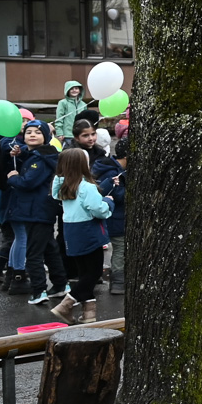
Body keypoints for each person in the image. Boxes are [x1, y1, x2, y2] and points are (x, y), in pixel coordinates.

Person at [6, 120, 67, 307]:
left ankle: (39, 290)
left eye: (37, 132)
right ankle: (60, 285)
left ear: (46, 137)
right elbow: (31, 156)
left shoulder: (40, 160)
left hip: (35, 211)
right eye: (29, 132)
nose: (32, 135)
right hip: (40, 210)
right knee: (49, 248)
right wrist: (22, 153)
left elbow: (28, 182)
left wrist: (14, 178)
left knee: (33, 253)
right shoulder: (41, 155)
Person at [48, 147, 111, 322]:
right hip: (88, 231)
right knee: (94, 273)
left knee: (84, 272)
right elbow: (98, 210)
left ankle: (89, 313)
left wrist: (108, 184)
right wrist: (108, 203)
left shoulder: (61, 185)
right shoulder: (87, 187)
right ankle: (66, 304)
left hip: (71, 232)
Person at [90, 123, 127, 295]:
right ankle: (118, 282)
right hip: (114, 218)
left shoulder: (106, 167)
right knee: (120, 249)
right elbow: (116, 195)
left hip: (108, 218)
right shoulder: (114, 173)